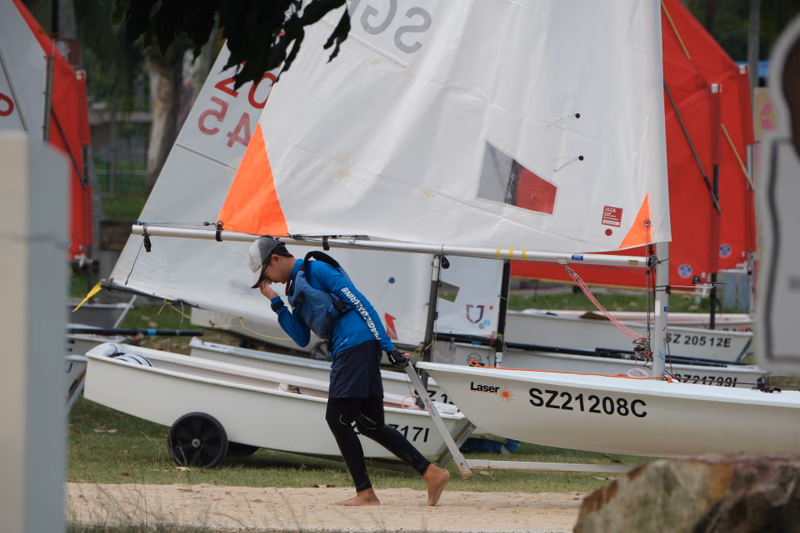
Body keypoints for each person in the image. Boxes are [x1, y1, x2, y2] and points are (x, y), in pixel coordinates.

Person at [248, 236, 450, 507]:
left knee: (337, 418)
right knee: (370, 424)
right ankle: (431, 472)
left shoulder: (316, 270)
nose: (268, 280)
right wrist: (275, 302)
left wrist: (388, 346)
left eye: (265, 274)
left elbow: (361, 304)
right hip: (351, 348)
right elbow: (300, 337)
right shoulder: (293, 289)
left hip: (355, 345)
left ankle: (365, 493)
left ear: (275, 259)